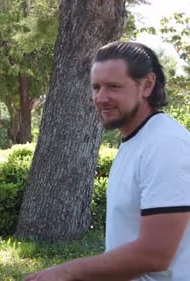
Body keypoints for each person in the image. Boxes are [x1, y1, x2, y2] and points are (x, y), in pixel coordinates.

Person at [24, 41, 190, 281]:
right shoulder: (138, 140)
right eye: (96, 87)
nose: (101, 98)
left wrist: (67, 271)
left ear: (147, 85)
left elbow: (156, 254)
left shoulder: (165, 145)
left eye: (113, 87)